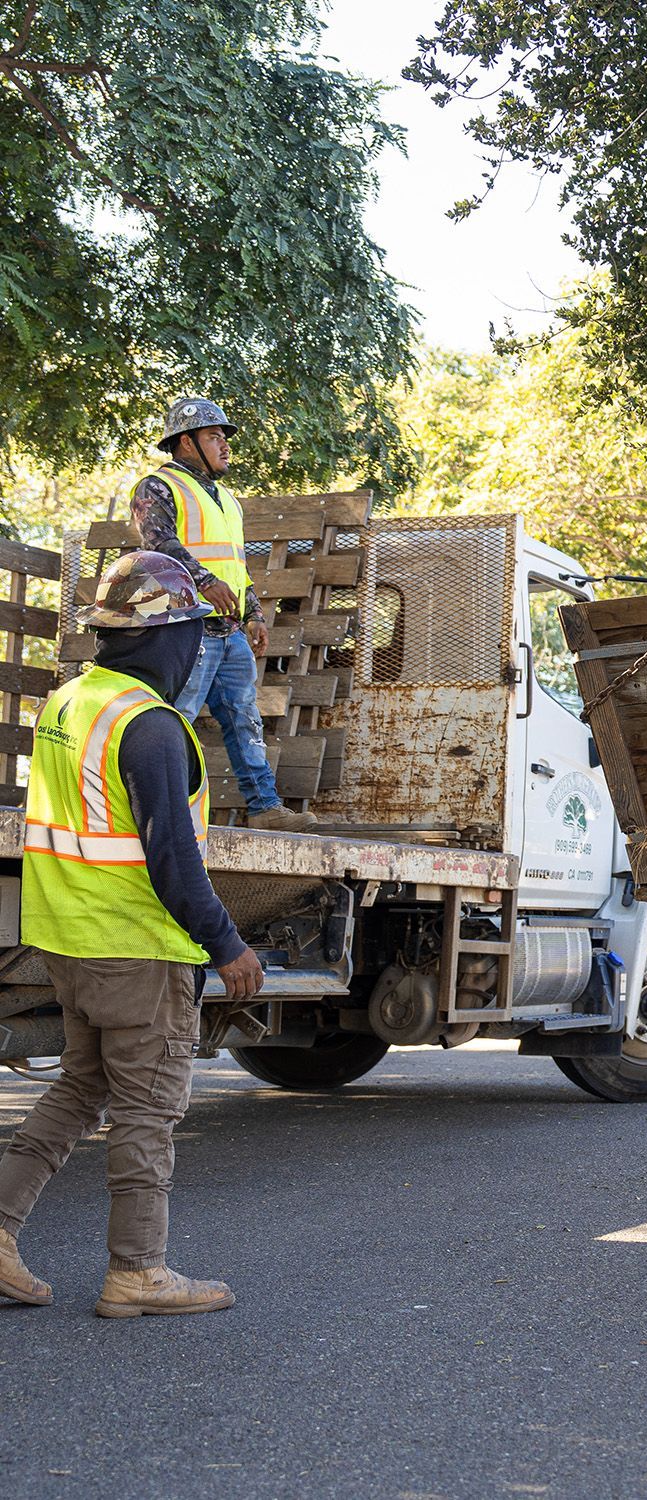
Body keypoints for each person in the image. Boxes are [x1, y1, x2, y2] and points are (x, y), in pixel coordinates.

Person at [0, 552, 264, 1317]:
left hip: (68, 940)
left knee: (82, 1087)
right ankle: (137, 1272)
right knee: (148, 1108)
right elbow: (172, 859)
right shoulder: (149, 725)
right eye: (192, 634)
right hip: (137, 947)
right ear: (166, 638)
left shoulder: (69, 703)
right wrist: (227, 945)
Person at [130, 396, 316, 831]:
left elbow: (235, 563)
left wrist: (252, 613)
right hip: (184, 628)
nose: (225, 445)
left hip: (229, 631)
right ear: (186, 442)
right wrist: (203, 581)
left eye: (224, 437)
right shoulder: (156, 487)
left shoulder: (227, 499)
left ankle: (266, 809)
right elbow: (159, 544)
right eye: (214, 437)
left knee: (243, 718)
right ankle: (158, 811)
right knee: (174, 720)